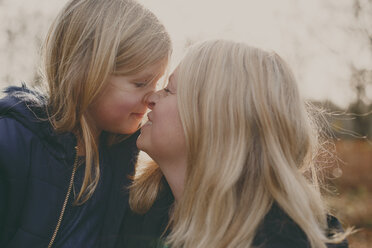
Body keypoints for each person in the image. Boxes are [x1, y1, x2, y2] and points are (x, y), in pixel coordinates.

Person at [119, 40, 351, 248]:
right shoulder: (142, 210)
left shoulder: (287, 240)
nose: (150, 99)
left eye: (168, 90)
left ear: (214, 120)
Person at [0, 0, 171, 247]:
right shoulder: (13, 145)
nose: (152, 96)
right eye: (140, 83)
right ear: (88, 72)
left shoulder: (124, 158)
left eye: (157, 85)